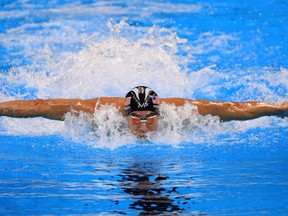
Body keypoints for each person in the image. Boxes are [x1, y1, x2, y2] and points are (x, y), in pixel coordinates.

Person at [0, 86, 287, 139]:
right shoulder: (99, 113)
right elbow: (41, 107)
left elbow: (235, 109)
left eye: (150, 119)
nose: (142, 127)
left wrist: (280, 109)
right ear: (124, 116)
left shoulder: (183, 112)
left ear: (161, 114)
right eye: (135, 119)